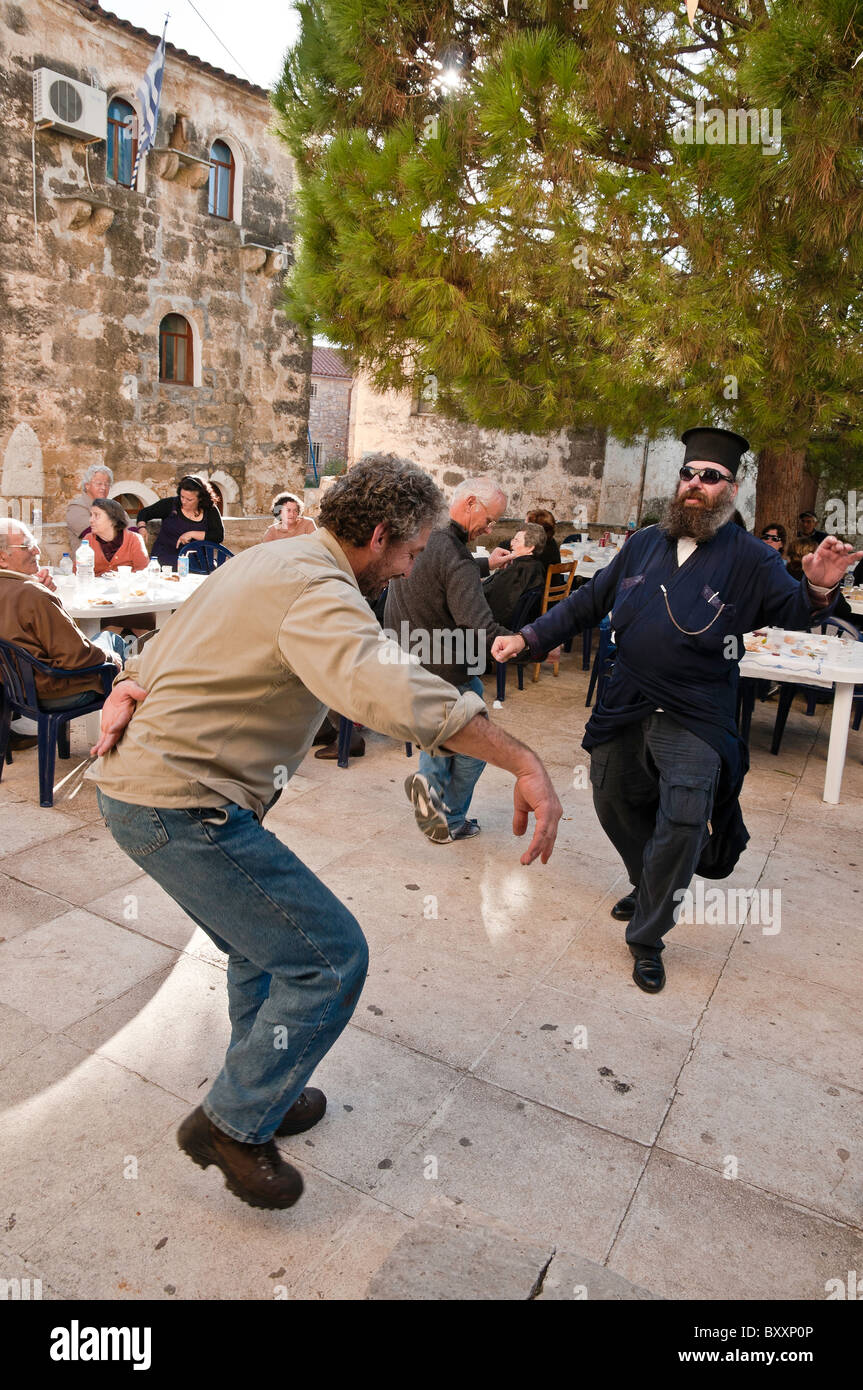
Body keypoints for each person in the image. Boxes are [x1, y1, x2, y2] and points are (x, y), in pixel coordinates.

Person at [89, 455, 562, 1212]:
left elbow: (171, 637)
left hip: (158, 797)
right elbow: (382, 686)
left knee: (261, 948)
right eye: (408, 554)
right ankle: (231, 1126)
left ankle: (263, 1088)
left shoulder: (277, 556)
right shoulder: (318, 585)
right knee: (329, 959)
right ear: (378, 536)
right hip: (179, 807)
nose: (408, 569)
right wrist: (520, 759)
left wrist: (125, 684)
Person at [493, 426, 861, 995]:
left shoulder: (750, 557)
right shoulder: (645, 543)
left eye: (709, 477)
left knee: (685, 823)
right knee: (613, 801)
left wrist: (815, 588)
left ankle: (648, 936)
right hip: (625, 699)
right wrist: (530, 636)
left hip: (696, 710)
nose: (694, 485)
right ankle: (649, 883)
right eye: (688, 474)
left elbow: (790, 611)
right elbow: (590, 601)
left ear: (731, 489)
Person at [384, 476, 515, 842]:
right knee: (473, 747)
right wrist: (530, 641)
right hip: (446, 668)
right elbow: (479, 626)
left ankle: (436, 802)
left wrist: (486, 563)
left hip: (406, 658)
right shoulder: (455, 554)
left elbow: (439, 574)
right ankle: (446, 816)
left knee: (440, 740)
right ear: (470, 503)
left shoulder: (423, 532)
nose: (490, 529)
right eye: (490, 520)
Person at [0, 519, 125, 716]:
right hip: (54, 691)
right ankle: (119, 733)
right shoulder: (32, 594)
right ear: (2, 558)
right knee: (114, 642)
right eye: (27, 546)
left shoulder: (24, 591)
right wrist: (111, 657)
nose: (37, 552)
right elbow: (76, 656)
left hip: (15, 690)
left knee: (107, 640)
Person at [136, 475, 224, 570]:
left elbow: (218, 536)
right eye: (182, 497)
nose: (184, 501)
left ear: (201, 498)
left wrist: (192, 534)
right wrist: (142, 527)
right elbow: (144, 513)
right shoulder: (170, 504)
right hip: (166, 559)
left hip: (196, 563)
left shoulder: (210, 509)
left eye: (189, 499)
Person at [483, 522, 547, 626]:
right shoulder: (537, 567)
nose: (511, 543)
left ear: (530, 547)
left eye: (516, 540)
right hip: (517, 626)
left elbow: (490, 596)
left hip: (491, 626)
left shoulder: (517, 569)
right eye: (513, 539)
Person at [83, 498, 149, 575]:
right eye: (91, 515)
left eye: (96, 515)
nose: (91, 520)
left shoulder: (134, 539)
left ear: (112, 519)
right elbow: (77, 572)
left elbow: (144, 572)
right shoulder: (88, 540)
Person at [65, 464, 113, 551]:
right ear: (87, 485)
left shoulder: (114, 506)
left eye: (107, 484)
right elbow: (95, 535)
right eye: (99, 484)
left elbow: (133, 532)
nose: (103, 488)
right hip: (89, 562)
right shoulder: (76, 507)